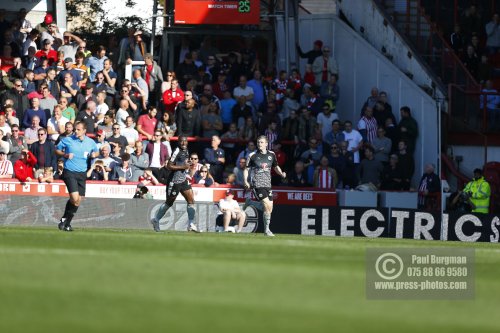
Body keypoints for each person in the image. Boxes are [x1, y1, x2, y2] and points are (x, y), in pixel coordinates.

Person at [150, 135, 201, 233]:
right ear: (178, 142)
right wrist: (183, 167)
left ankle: (191, 224)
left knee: (191, 200)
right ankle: (156, 220)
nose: (183, 143)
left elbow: (183, 163)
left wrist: (188, 163)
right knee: (169, 203)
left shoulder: (186, 150)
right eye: (181, 141)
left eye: (185, 141)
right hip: (174, 181)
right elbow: (169, 165)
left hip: (183, 179)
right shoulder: (176, 151)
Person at [56, 121, 99, 231]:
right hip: (69, 171)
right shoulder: (68, 140)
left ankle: (65, 222)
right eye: (75, 129)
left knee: (78, 200)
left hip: (82, 173)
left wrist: (94, 154)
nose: (76, 131)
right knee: (74, 198)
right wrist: (65, 155)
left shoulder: (90, 142)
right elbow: (57, 150)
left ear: (84, 131)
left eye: (78, 129)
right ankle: (65, 222)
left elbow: (96, 151)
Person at [243, 135, 287, 237]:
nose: (259, 144)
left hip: (268, 184)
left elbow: (276, 166)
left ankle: (251, 202)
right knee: (267, 204)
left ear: (266, 144)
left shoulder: (271, 154)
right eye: (258, 142)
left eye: (262, 142)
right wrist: (246, 181)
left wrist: (281, 174)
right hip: (257, 184)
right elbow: (246, 169)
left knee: (269, 208)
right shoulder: (252, 155)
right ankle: (267, 231)